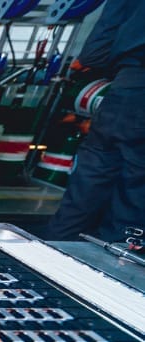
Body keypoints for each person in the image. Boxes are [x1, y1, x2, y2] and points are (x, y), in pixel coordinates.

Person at [46, 1, 145, 241]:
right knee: (135, 194)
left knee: (88, 182)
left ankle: (51, 255)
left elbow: (95, 52)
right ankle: (116, 265)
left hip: (125, 89)